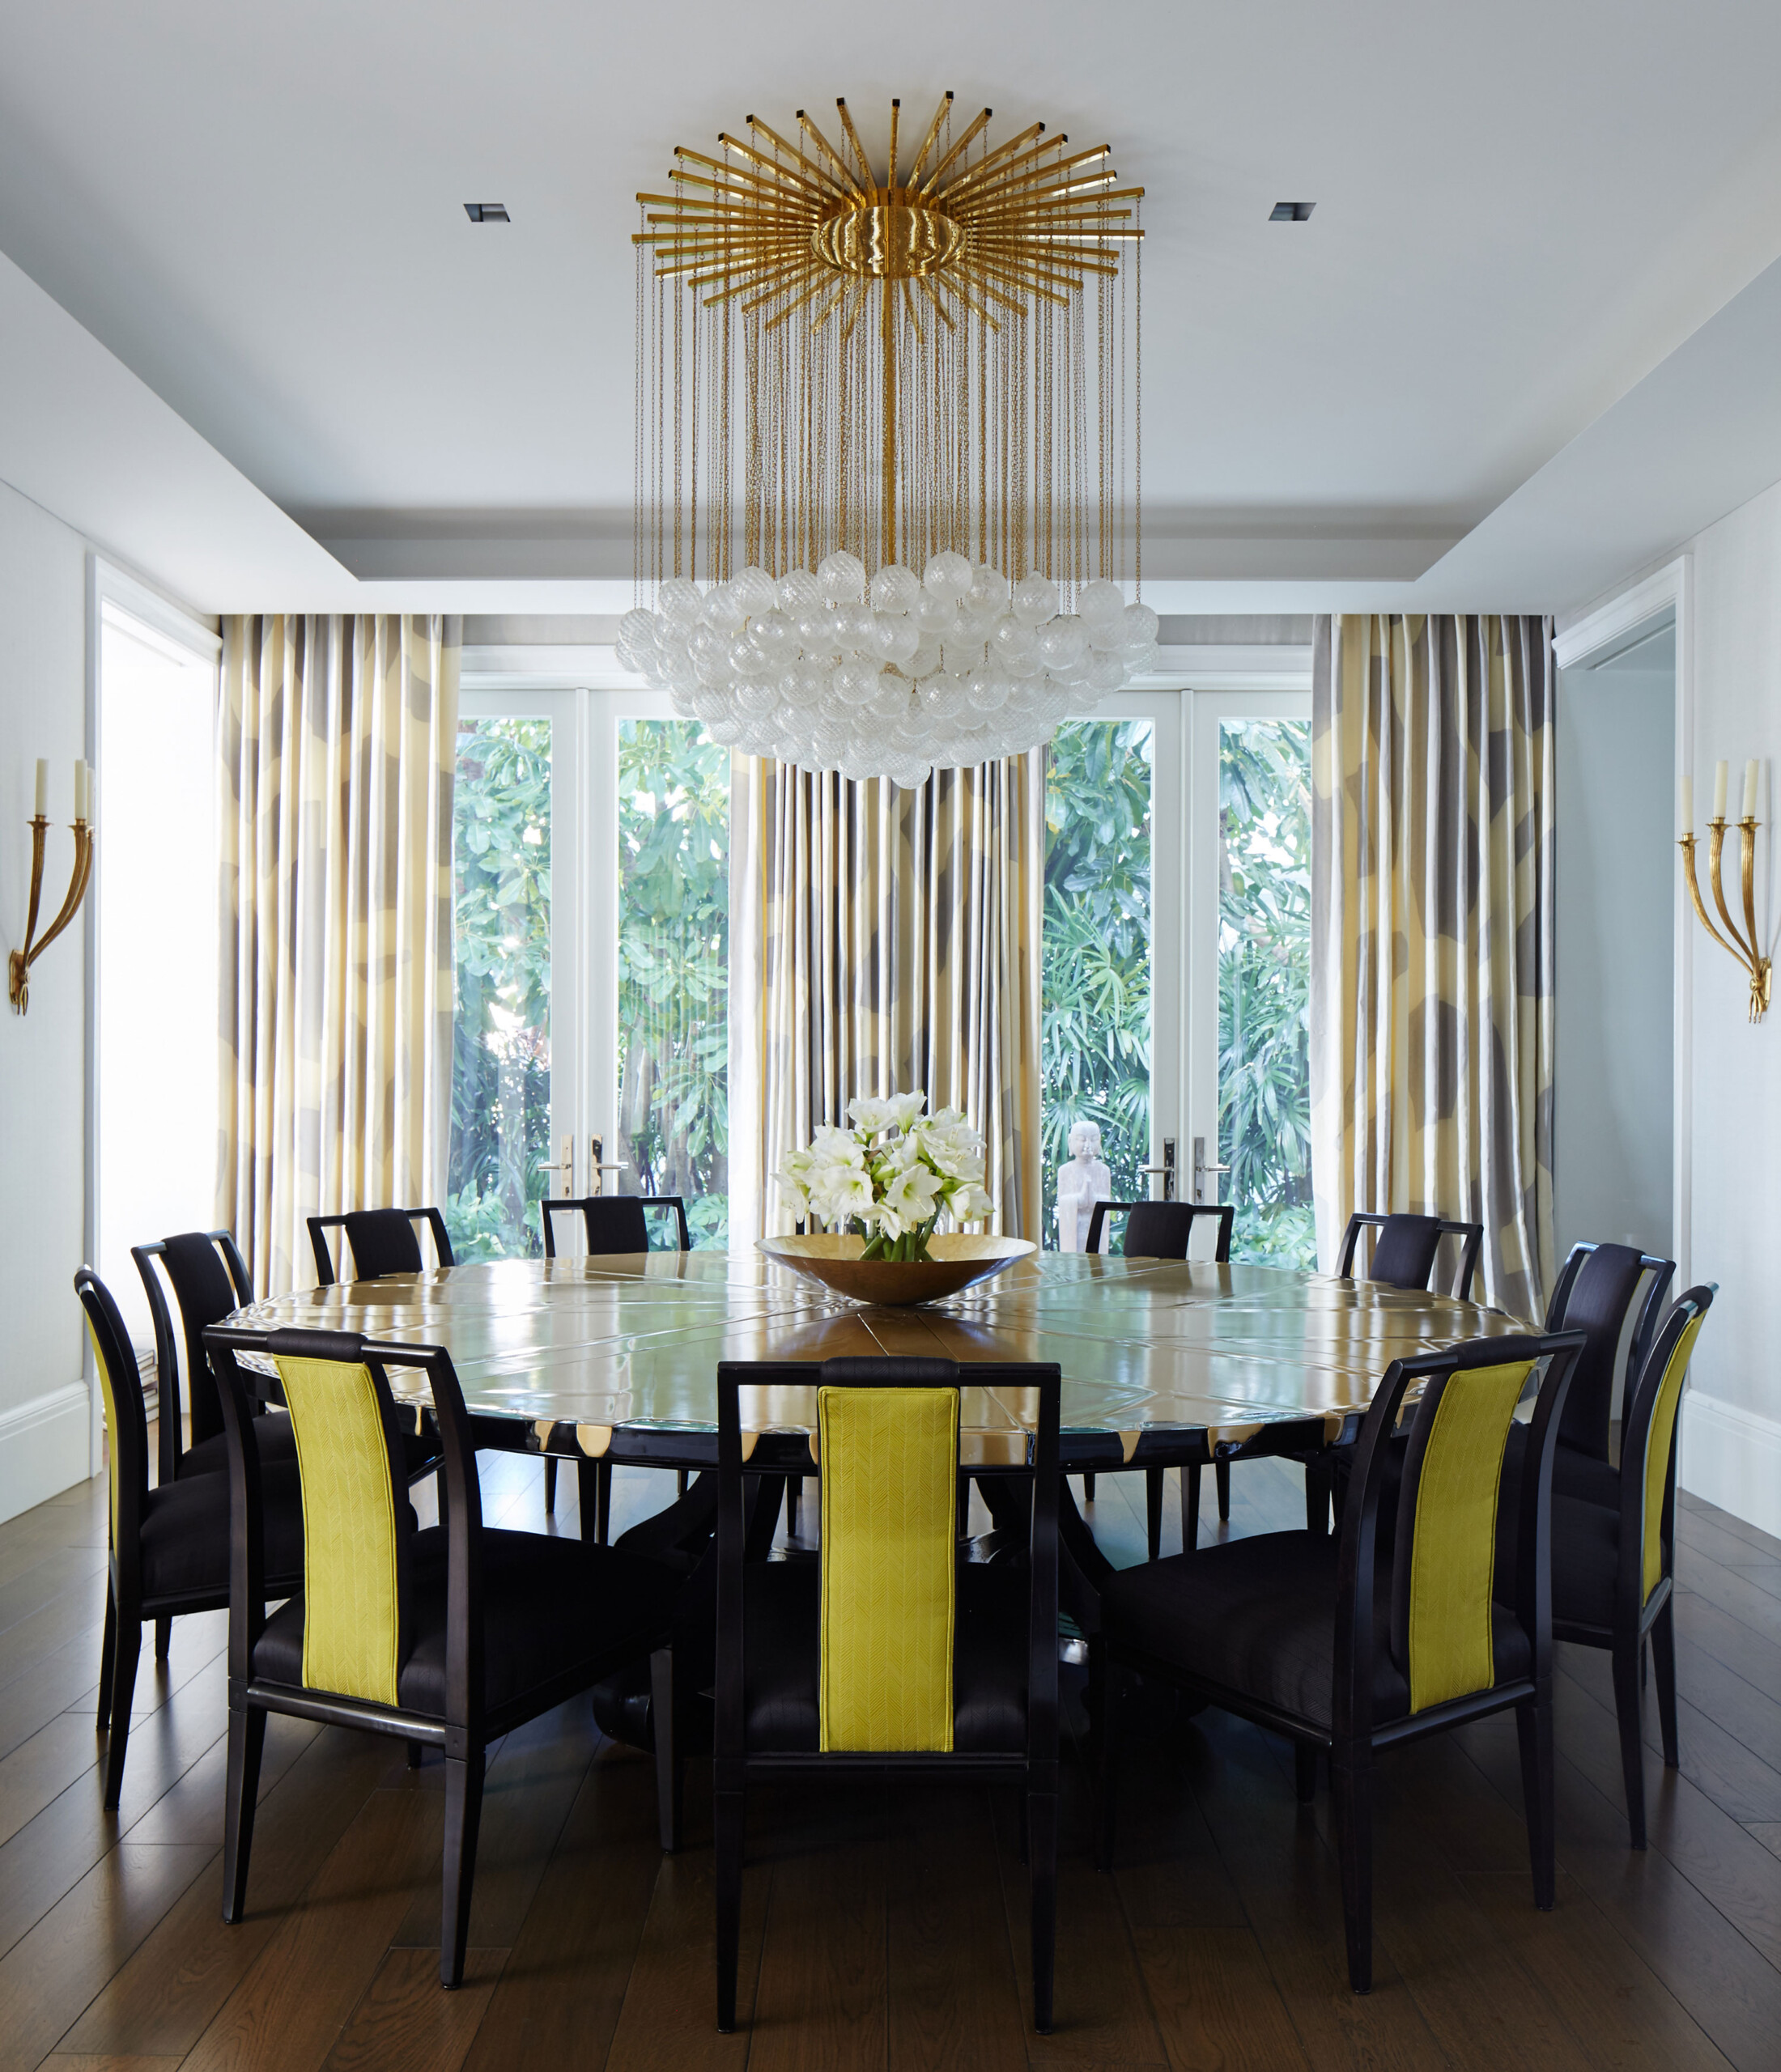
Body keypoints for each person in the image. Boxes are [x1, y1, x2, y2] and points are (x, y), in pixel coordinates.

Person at [1056, 1120, 1112, 1252]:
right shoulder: (1065, 1170)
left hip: (1095, 1224)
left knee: (1096, 1258)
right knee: (1075, 1260)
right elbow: (1062, 1202)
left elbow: (1107, 1202)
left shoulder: (1103, 1170)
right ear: (1070, 1141)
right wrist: (1078, 1199)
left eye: (1093, 1140)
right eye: (1082, 1139)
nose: (1088, 1145)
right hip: (1074, 1227)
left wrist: (1095, 1199)